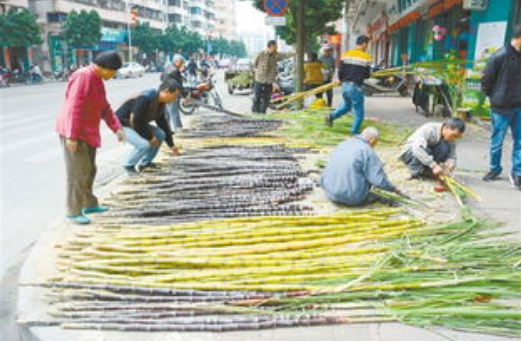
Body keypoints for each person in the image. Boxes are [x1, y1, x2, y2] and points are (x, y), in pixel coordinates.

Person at [55, 51, 126, 225]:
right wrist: (72, 136)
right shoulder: (83, 77)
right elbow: (74, 107)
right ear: (106, 68)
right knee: (77, 172)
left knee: (89, 170)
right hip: (75, 132)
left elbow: (104, 107)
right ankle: (73, 210)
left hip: (87, 131)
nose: (114, 75)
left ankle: (89, 203)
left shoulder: (97, 79)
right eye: (114, 71)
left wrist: (117, 127)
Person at [481, 26, 521, 191]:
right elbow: (486, 82)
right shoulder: (499, 56)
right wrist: (495, 97)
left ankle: (518, 172)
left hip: (519, 106)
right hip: (501, 108)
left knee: (520, 142)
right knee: (497, 141)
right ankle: (494, 169)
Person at [116, 79, 182, 175]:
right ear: (166, 91)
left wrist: (172, 146)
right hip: (121, 125)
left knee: (160, 134)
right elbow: (135, 121)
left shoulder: (160, 103)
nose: (175, 98)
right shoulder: (145, 98)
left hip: (136, 124)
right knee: (144, 145)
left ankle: (145, 164)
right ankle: (129, 166)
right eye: (175, 95)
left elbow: (163, 125)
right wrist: (149, 137)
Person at [321, 127, 400, 206]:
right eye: (375, 143)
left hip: (329, 191)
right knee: (369, 176)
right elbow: (378, 181)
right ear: (372, 140)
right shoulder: (367, 151)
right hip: (349, 197)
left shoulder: (344, 143)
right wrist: (393, 188)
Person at [325, 35, 372, 134]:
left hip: (345, 86)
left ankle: (331, 116)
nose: (367, 47)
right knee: (359, 112)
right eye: (367, 45)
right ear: (364, 44)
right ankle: (354, 132)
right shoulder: (366, 57)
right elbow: (367, 75)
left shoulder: (346, 54)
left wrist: (342, 80)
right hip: (355, 87)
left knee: (347, 106)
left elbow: (340, 71)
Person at [399, 118, 466, 180]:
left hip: (427, 155)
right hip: (410, 153)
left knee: (445, 147)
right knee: (423, 149)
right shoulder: (429, 129)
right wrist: (433, 165)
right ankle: (415, 171)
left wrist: (450, 165)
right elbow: (417, 149)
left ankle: (426, 170)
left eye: (457, 137)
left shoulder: (451, 139)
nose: (454, 139)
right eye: (453, 135)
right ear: (446, 127)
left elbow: (452, 156)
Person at [252, 40, 293, 114]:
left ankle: (262, 112)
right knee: (256, 97)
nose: (276, 48)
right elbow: (254, 64)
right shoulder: (261, 54)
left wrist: (294, 52)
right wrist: (259, 71)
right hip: (259, 79)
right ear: (270, 47)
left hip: (269, 80)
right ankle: (255, 112)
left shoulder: (276, 55)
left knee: (267, 98)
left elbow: (285, 55)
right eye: (275, 47)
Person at [162, 54, 185, 131]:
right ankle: (179, 130)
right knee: (174, 112)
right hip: (170, 94)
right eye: (181, 63)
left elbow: (161, 77)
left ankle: (166, 130)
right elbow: (179, 85)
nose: (182, 64)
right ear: (176, 61)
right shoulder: (175, 70)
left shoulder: (167, 67)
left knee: (167, 113)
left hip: (163, 92)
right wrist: (185, 96)